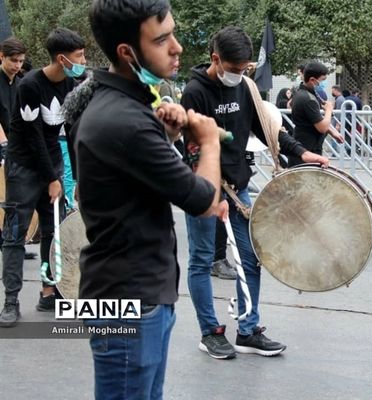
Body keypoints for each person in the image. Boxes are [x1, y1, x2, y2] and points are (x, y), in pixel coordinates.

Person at [65, 0, 222, 397]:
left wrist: (167, 139)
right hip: (128, 299)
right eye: (162, 38)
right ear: (126, 52)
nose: (177, 47)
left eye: (173, 33)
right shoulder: (125, 120)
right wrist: (208, 143)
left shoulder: (122, 106)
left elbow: (133, 177)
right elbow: (203, 200)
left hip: (138, 292)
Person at [181, 26, 329, 360]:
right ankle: (210, 331)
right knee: (203, 259)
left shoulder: (245, 87)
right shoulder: (194, 92)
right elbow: (191, 150)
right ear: (215, 59)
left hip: (239, 189)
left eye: (245, 68)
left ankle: (247, 330)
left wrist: (302, 153)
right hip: (203, 188)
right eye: (234, 69)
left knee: (251, 259)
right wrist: (209, 196)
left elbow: (267, 130)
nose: (240, 74)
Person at [0, 28, 86, 327]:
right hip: (23, 168)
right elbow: (34, 136)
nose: (83, 61)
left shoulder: (74, 86)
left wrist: (76, 180)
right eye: (79, 56)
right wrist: (51, 178)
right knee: (15, 234)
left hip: (52, 168)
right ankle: (11, 301)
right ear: (61, 59)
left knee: (53, 233)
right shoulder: (30, 85)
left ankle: (50, 292)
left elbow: (73, 132)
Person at [0, 37, 38, 261]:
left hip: (16, 146)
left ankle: (11, 244)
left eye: (21, 61)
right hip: (5, 144)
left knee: (15, 198)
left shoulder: (21, 81)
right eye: (13, 60)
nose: (17, 65)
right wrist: (5, 146)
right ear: (1, 56)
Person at [288, 61, 344, 167]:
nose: (323, 83)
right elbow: (322, 127)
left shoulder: (303, 93)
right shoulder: (308, 99)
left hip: (304, 148)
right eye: (322, 80)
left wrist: (332, 131)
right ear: (312, 80)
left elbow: (315, 119)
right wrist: (328, 110)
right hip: (307, 150)